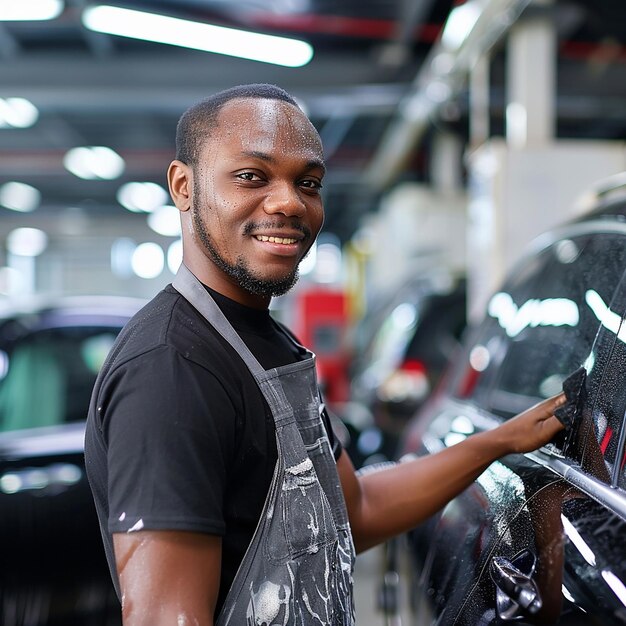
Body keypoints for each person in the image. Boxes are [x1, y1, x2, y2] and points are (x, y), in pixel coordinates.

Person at [84, 83, 565, 626]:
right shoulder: (173, 371)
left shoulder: (264, 343)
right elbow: (164, 616)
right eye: (252, 176)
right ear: (183, 186)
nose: (289, 202)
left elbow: (354, 511)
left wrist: (501, 440)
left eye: (307, 182)